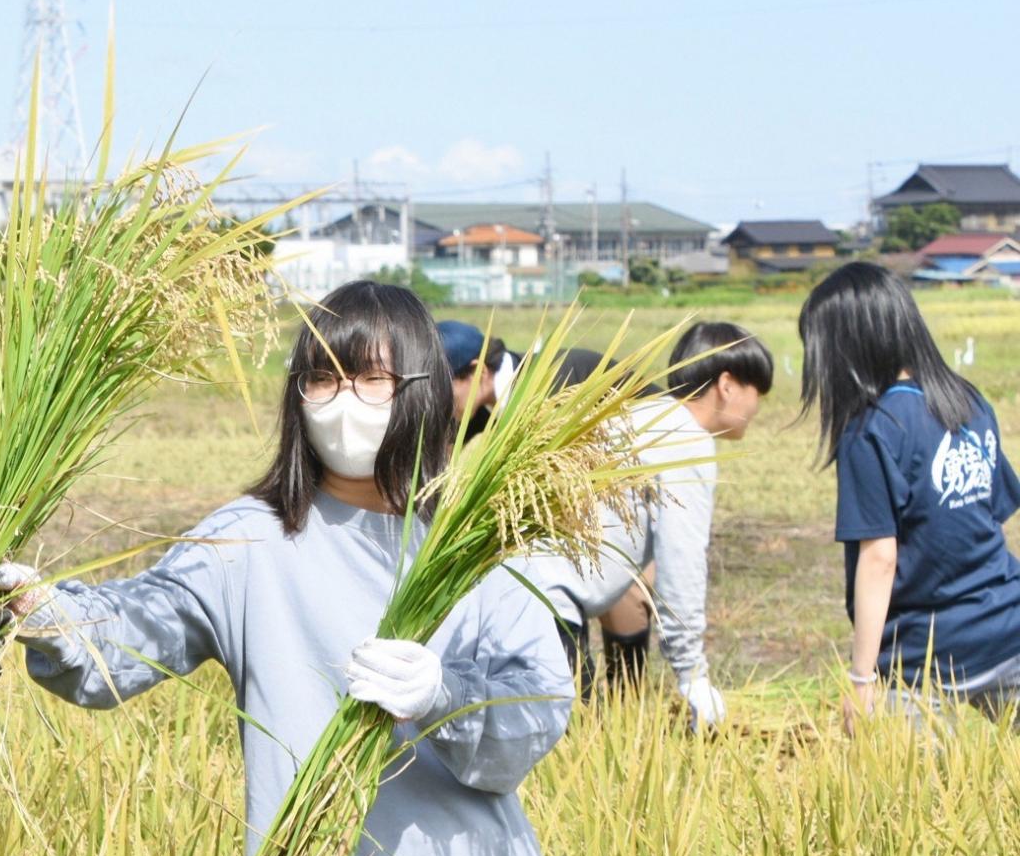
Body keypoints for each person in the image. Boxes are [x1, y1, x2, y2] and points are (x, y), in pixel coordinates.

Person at [0, 281, 580, 856]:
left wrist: (448, 693)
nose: (343, 404)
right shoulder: (249, 540)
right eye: (320, 380)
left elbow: (537, 713)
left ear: (421, 391)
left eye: (370, 382)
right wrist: (38, 610)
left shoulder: (473, 538)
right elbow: (124, 640)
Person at [800, 260, 1020, 728]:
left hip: (924, 657)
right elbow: (989, 517)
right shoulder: (968, 401)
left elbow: (880, 558)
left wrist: (862, 681)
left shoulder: (871, 430)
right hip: (1009, 627)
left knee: (905, 796)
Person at [518, 323, 770, 726]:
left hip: (522, 596)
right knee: (574, 751)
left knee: (570, 745)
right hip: (547, 608)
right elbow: (681, 562)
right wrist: (692, 676)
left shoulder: (642, 416)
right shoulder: (685, 441)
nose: (758, 407)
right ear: (727, 384)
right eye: (759, 392)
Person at [436, 318, 511, 440]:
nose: (440, 407)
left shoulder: (548, 385)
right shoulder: (471, 412)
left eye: (441, 393)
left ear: (479, 371)